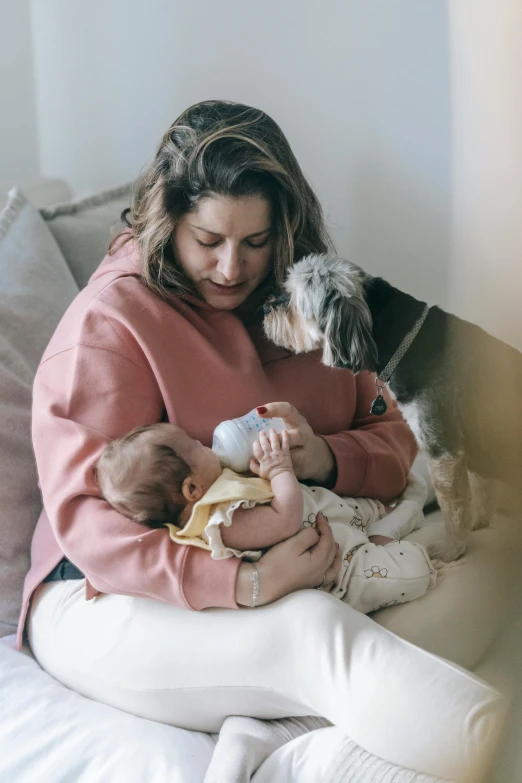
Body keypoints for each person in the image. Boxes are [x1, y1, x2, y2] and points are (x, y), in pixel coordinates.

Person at [21, 101, 502, 782]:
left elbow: (394, 429)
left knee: (494, 561)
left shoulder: (308, 297)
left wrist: (328, 458)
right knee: (311, 630)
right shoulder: (111, 321)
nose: (231, 268)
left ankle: (264, 728)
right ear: (169, 224)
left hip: (303, 557)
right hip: (105, 592)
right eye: (208, 239)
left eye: (256, 241)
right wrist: (247, 581)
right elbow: (90, 522)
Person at [95, 421, 435, 614]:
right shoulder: (222, 523)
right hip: (339, 563)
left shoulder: (217, 491)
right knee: (406, 573)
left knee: (381, 508)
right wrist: (280, 470)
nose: (204, 443)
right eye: (195, 446)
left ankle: (398, 514)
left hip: (334, 514)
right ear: (192, 489)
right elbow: (284, 519)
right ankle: (410, 553)